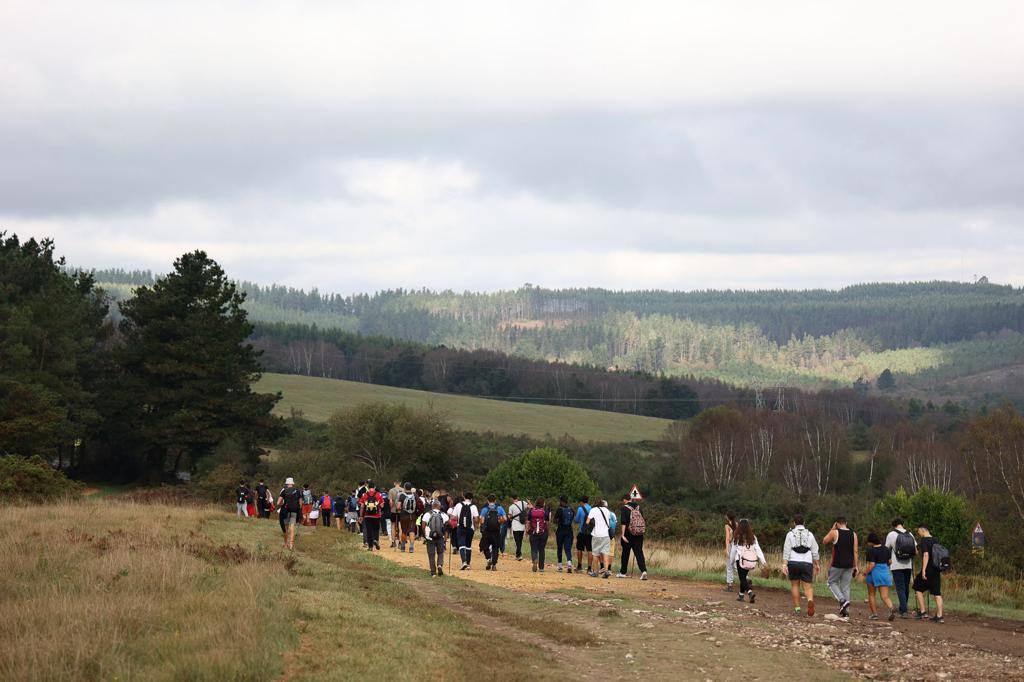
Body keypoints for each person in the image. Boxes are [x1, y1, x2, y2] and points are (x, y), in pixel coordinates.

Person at [782, 514, 820, 617]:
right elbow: (815, 551)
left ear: (794, 523)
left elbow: (786, 550)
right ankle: (810, 600)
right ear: (804, 523)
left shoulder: (790, 534)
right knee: (808, 587)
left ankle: (797, 609)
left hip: (793, 561)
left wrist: (784, 564)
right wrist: (817, 563)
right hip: (807, 562)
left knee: (795, 585)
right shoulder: (810, 534)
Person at [821, 517, 858, 617]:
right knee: (846, 587)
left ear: (837, 524)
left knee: (831, 582)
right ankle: (846, 612)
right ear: (846, 523)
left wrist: (832, 529)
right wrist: (856, 566)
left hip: (838, 563)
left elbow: (824, 541)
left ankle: (842, 600)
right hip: (850, 564)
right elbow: (855, 551)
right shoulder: (853, 534)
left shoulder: (835, 532)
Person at [885, 517, 917, 618]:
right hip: (908, 564)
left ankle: (903, 611)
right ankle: (903, 608)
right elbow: (915, 551)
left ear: (893, 525)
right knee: (906, 587)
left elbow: (886, 549)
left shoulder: (891, 534)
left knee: (900, 588)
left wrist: (887, 560)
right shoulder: (910, 534)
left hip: (896, 565)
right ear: (902, 524)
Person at [913, 524, 944, 623]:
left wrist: (923, 570)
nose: (919, 534)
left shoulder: (924, 541)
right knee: (937, 593)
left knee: (917, 587)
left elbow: (926, 555)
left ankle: (923, 612)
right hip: (936, 569)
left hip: (928, 569)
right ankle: (939, 616)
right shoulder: (936, 540)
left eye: (919, 532)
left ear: (923, 530)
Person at [863, 532, 896, 621]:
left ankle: (874, 614)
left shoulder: (871, 550)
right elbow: (890, 562)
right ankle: (891, 608)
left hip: (874, 573)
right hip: (884, 572)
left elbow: (872, 564)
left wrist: (865, 573)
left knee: (871, 594)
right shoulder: (886, 549)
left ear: (871, 542)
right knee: (885, 596)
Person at [732, 519, 767, 602]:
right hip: (750, 561)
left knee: (742, 579)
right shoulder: (753, 537)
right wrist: (763, 562)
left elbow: (734, 551)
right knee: (743, 577)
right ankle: (741, 596)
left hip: (740, 560)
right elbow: (758, 549)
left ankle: (750, 592)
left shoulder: (737, 537)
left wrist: (731, 562)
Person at [617, 494, 648, 580]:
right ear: (630, 499)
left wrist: (622, 535)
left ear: (624, 500)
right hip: (639, 534)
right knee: (639, 553)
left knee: (625, 553)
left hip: (628, 534)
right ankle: (644, 571)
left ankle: (623, 572)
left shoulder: (624, 508)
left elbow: (623, 523)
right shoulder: (638, 507)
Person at [478, 494, 506, 571]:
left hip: (487, 531)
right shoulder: (499, 508)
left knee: (485, 546)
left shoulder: (485, 509)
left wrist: (483, 525)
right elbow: (505, 519)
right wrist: (499, 522)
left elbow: (481, 520)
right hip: (496, 531)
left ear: (487, 501)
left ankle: (488, 559)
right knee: (495, 547)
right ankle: (494, 564)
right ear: (495, 500)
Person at [451, 492, 479, 570]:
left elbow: (453, 517)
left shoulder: (458, 505)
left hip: (460, 527)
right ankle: (468, 563)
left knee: (461, 545)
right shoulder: (473, 507)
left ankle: (464, 562)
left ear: (464, 497)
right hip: (470, 528)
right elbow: (476, 519)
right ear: (471, 499)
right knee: (468, 546)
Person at [586, 499, 613, 579]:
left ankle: (595, 572)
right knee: (605, 553)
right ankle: (606, 570)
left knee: (595, 554)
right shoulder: (607, 511)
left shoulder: (593, 510)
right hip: (606, 535)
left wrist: (592, 524)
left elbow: (587, 521)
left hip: (596, 535)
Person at [423, 499, 449, 577]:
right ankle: (439, 565)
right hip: (440, 537)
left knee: (431, 554)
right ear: (439, 506)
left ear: (432, 506)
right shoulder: (444, 515)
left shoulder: (427, 514)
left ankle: (433, 572)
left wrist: (425, 535)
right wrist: (446, 538)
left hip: (430, 537)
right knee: (440, 552)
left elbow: (423, 525)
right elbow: (447, 528)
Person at [276, 477, 301, 550]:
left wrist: (282, 504)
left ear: (287, 484)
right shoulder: (297, 491)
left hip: (285, 511)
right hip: (294, 511)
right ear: (292, 484)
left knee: (286, 527)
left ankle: (286, 543)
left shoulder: (284, 491)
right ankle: (291, 545)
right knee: (292, 527)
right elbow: (300, 503)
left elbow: (278, 502)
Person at [359, 480, 385, 551]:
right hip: (377, 515)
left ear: (368, 487)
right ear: (374, 487)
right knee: (376, 529)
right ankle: (376, 540)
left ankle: (370, 546)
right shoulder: (379, 494)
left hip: (367, 516)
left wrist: (361, 516)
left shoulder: (364, 495)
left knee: (369, 530)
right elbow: (382, 505)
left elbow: (362, 506)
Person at [527, 497, 550, 572]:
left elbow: (528, 521)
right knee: (542, 549)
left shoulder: (531, 511)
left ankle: (534, 560)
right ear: (543, 503)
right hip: (543, 533)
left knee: (534, 548)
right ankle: (541, 567)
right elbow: (547, 522)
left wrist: (527, 530)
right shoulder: (545, 511)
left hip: (533, 533)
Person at [554, 496, 575, 573]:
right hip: (569, 530)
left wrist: (559, 521)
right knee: (568, 548)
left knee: (559, 548)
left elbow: (554, 520)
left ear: (561, 501)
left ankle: (560, 565)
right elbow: (572, 518)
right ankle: (569, 563)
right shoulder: (571, 509)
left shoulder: (559, 509)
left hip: (560, 530)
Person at [575, 496, 594, 576]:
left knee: (580, 549)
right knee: (590, 550)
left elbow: (576, 520)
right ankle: (589, 568)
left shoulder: (580, 509)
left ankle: (579, 566)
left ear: (581, 501)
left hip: (582, 532)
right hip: (590, 533)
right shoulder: (592, 509)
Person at [508, 494, 530, 561]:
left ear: (512, 498)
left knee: (517, 541)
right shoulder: (523, 503)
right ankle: (518, 554)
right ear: (517, 497)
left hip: (515, 525)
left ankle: (519, 554)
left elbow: (510, 517)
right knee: (520, 540)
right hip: (522, 524)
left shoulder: (511, 507)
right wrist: (528, 502)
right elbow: (530, 507)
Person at [398, 483, 419, 553]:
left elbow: (398, 506)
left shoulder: (402, 495)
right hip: (413, 515)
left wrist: (399, 509)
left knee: (404, 530)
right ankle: (411, 547)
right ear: (411, 488)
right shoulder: (415, 495)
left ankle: (403, 546)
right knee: (412, 530)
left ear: (404, 487)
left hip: (404, 515)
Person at [724, 511, 737, 591]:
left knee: (729, 566)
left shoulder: (727, 526)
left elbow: (727, 538)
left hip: (731, 546)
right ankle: (746, 579)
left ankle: (730, 585)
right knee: (737, 565)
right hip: (737, 546)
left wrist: (726, 548)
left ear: (728, 517)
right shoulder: (737, 524)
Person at [388, 481, 403, 548]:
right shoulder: (403, 490)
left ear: (394, 483)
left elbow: (390, 501)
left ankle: (393, 542)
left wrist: (391, 507)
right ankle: (400, 542)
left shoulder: (391, 490)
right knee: (400, 526)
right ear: (400, 483)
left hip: (393, 510)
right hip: (401, 511)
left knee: (393, 525)